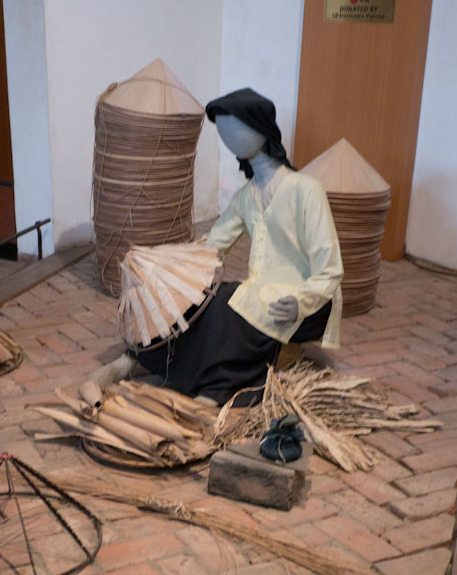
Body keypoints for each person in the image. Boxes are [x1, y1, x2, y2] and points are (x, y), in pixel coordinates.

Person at [93, 88, 343, 405]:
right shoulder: (246, 197)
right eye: (224, 134)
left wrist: (301, 302)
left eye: (237, 130)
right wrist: (163, 264)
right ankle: (136, 360)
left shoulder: (306, 190)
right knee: (206, 300)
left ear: (261, 130)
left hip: (306, 302)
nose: (231, 140)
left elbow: (330, 271)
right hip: (261, 294)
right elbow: (210, 247)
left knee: (227, 308)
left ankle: (216, 388)